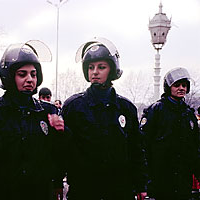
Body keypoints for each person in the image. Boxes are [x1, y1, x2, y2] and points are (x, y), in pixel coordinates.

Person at [62, 38, 147, 200]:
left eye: (101, 67)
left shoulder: (126, 108)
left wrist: (141, 184)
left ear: (112, 70)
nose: (95, 72)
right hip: (84, 188)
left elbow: (136, 149)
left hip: (119, 189)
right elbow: (63, 149)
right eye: (91, 67)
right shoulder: (73, 106)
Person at [0, 40, 66, 200]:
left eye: (33, 74)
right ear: (9, 76)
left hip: (39, 193)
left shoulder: (47, 112)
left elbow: (57, 154)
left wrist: (62, 132)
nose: (29, 79)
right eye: (22, 74)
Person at [140, 67, 200, 200]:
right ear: (169, 87)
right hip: (160, 178)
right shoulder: (156, 111)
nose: (181, 88)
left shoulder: (189, 114)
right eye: (177, 85)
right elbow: (143, 145)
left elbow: (195, 148)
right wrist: (144, 180)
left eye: (184, 85)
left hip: (183, 180)